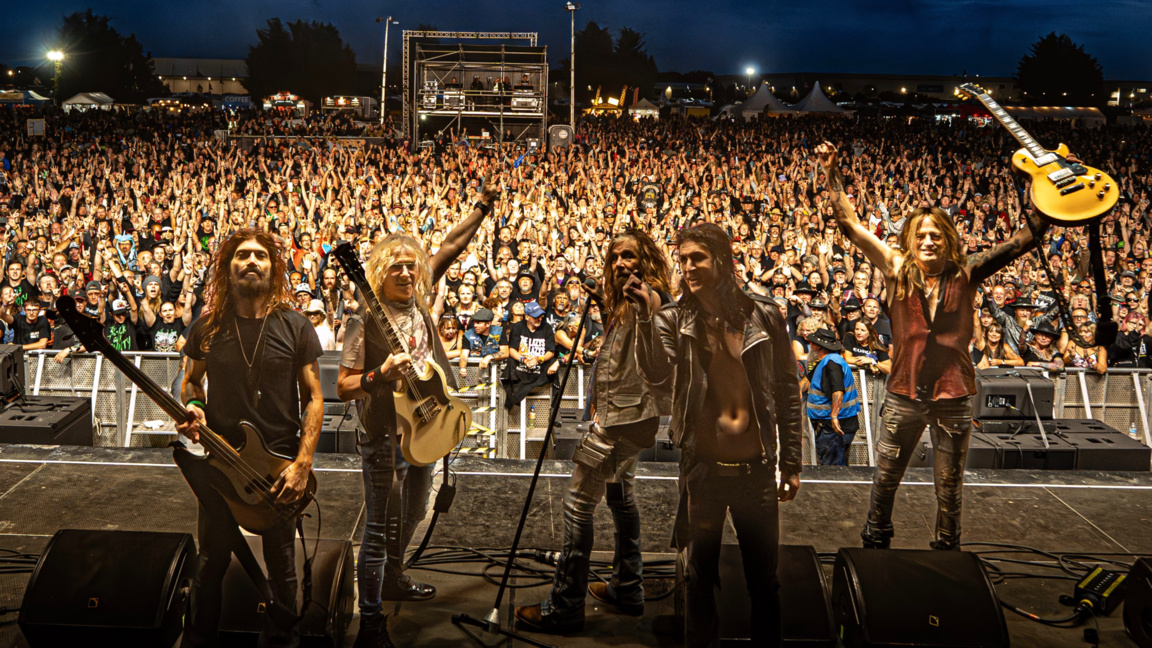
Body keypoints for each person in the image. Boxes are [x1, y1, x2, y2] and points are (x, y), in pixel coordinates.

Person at [817, 141, 1050, 551]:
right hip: (904, 394)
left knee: (950, 487)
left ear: (947, 240)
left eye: (935, 235)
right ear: (910, 239)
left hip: (953, 395)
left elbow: (1025, 238)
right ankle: (875, 543)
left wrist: (1043, 186)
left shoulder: (968, 271)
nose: (927, 241)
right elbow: (849, 225)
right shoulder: (895, 268)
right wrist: (833, 172)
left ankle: (948, 549)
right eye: (920, 234)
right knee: (886, 479)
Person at [336, 178, 497, 648]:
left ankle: (395, 576)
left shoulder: (422, 308)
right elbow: (342, 387)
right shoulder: (363, 320)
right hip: (384, 437)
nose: (407, 274)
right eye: (397, 269)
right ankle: (369, 620)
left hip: (423, 428)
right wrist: (377, 376)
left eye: (412, 267)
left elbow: (449, 245)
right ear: (379, 274)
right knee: (377, 529)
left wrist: (481, 208)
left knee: (413, 514)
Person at [632, 223, 803, 647]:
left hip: (757, 470)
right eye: (683, 259)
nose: (687, 267)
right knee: (698, 579)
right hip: (703, 469)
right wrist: (642, 319)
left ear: (722, 261)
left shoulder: (764, 314)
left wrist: (792, 462)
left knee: (764, 582)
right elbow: (655, 371)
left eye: (697, 258)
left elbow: (785, 390)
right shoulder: (675, 318)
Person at [515, 229, 673, 634]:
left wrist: (641, 301)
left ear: (647, 260)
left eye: (629, 256)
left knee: (577, 504)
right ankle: (628, 588)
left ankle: (565, 607)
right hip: (633, 419)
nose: (621, 263)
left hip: (621, 422)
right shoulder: (623, 299)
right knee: (622, 498)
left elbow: (654, 310)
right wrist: (606, 301)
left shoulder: (649, 296)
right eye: (615, 257)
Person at [176, 230, 325, 647]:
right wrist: (195, 407)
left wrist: (303, 463)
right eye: (242, 255)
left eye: (261, 255)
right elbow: (191, 382)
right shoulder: (207, 326)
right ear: (228, 267)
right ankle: (199, 639)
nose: (252, 261)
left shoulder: (295, 327)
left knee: (282, 571)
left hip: (278, 466)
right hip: (222, 465)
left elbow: (314, 398)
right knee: (211, 562)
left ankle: (282, 639)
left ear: (274, 268)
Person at [806, 328, 861, 466]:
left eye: (812, 342)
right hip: (833, 426)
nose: (810, 344)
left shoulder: (831, 363)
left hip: (833, 427)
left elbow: (838, 390)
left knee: (833, 468)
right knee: (834, 464)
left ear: (817, 345)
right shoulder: (826, 361)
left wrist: (834, 417)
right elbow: (806, 383)